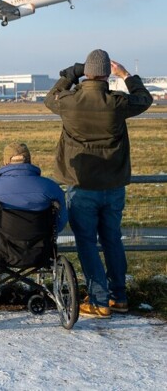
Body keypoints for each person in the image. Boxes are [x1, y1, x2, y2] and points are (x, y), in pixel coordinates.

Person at [45, 49, 153, 318]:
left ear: (87, 72)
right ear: (107, 73)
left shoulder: (69, 102)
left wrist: (71, 73)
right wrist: (126, 75)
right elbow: (144, 99)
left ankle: (98, 300)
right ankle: (119, 296)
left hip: (81, 184)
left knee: (86, 243)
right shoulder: (117, 103)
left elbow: (50, 98)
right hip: (114, 184)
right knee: (113, 240)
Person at [0, 142, 68, 236]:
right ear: (29, 160)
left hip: (2, 247)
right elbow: (62, 219)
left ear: (5, 162)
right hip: (42, 247)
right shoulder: (51, 187)